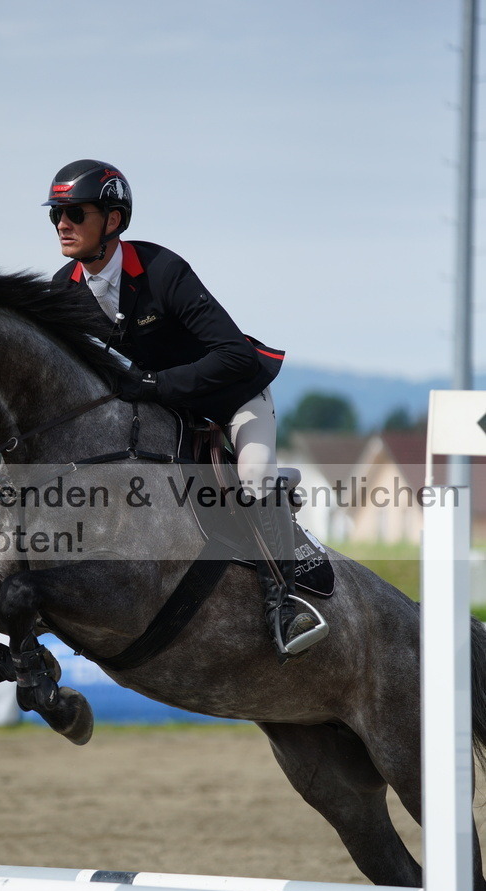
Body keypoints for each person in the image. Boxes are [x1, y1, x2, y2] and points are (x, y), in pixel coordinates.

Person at [44, 159, 328, 662]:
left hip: (232, 397)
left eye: (75, 213)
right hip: (162, 411)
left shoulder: (161, 270)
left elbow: (234, 355)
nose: (63, 224)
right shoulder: (62, 290)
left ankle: (284, 600)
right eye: (56, 215)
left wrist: (152, 383)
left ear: (112, 220)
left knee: (254, 474)